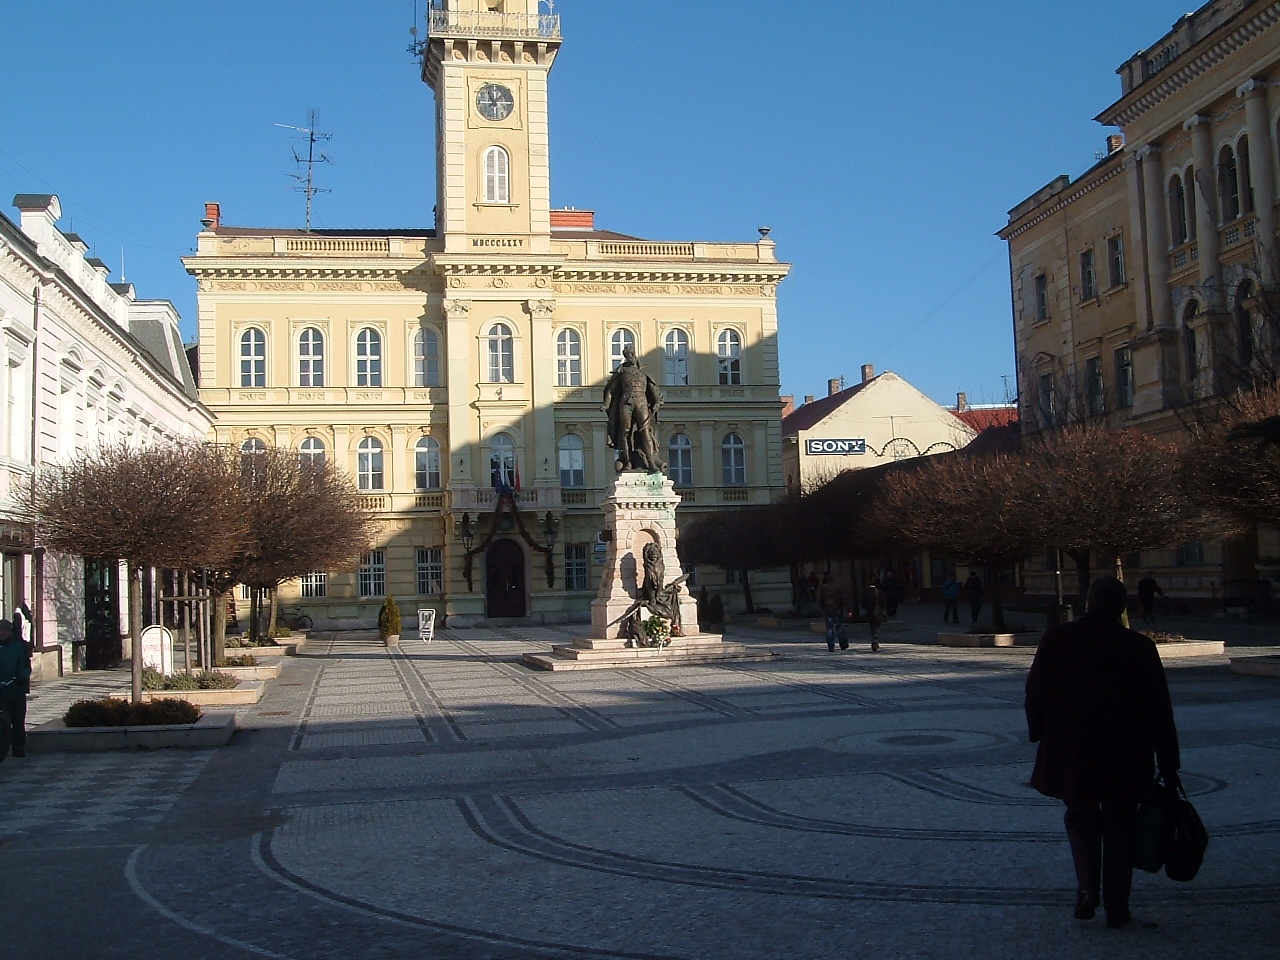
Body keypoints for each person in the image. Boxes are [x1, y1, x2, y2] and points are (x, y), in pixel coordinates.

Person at [1025, 576, 1180, 930]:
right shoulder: (1139, 646)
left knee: (1080, 816)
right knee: (1120, 825)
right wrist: (1168, 758)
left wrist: (1042, 734)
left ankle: (1086, 887)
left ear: (1088, 603)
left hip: (1073, 750)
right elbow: (1159, 708)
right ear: (1122, 608)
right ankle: (1117, 908)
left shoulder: (1058, 639)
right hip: (1126, 754)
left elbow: (1035, 691)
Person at [601, 345, 664, 473]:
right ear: (626, 356)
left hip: (642, 403)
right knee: (625, 433)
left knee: (645, 431)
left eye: (633, 353)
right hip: (626, 403)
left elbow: (653, 387)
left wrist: (657, 401)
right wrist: (606, 404)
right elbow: (611, 390)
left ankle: (651, 463)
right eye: (630, 354)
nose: (633, 356)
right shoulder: (621, 372)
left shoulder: (644, 371)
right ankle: (628, 462)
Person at [0, 618, 32, 759]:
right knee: (3, 721)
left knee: (18, 720)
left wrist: (22, 677)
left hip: (16, 688)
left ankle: (19, 748)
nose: (2, 633)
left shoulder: (18, 646)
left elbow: (24, 664)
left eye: (5, 630)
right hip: (1, 690)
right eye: (0, 630)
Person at [818, 574, 848, 652]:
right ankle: (843, 644)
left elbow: (821, 600)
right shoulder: (838, 587)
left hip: (828, 611)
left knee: (830, 629)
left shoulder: (824, 588)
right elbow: (843, 599)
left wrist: (823, 609)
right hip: (837, 611)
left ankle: (831, 646)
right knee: (840, 627)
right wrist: (847, 609)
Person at [861, 577, 885, 652]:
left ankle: (873, 639)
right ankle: (875, 639)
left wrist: (867, 608)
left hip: (869, 613)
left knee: (871, 627)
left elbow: (862, 603)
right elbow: (883, 602)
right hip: (877, 612)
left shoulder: (865, 592)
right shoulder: (879, 592)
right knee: (877, 626)